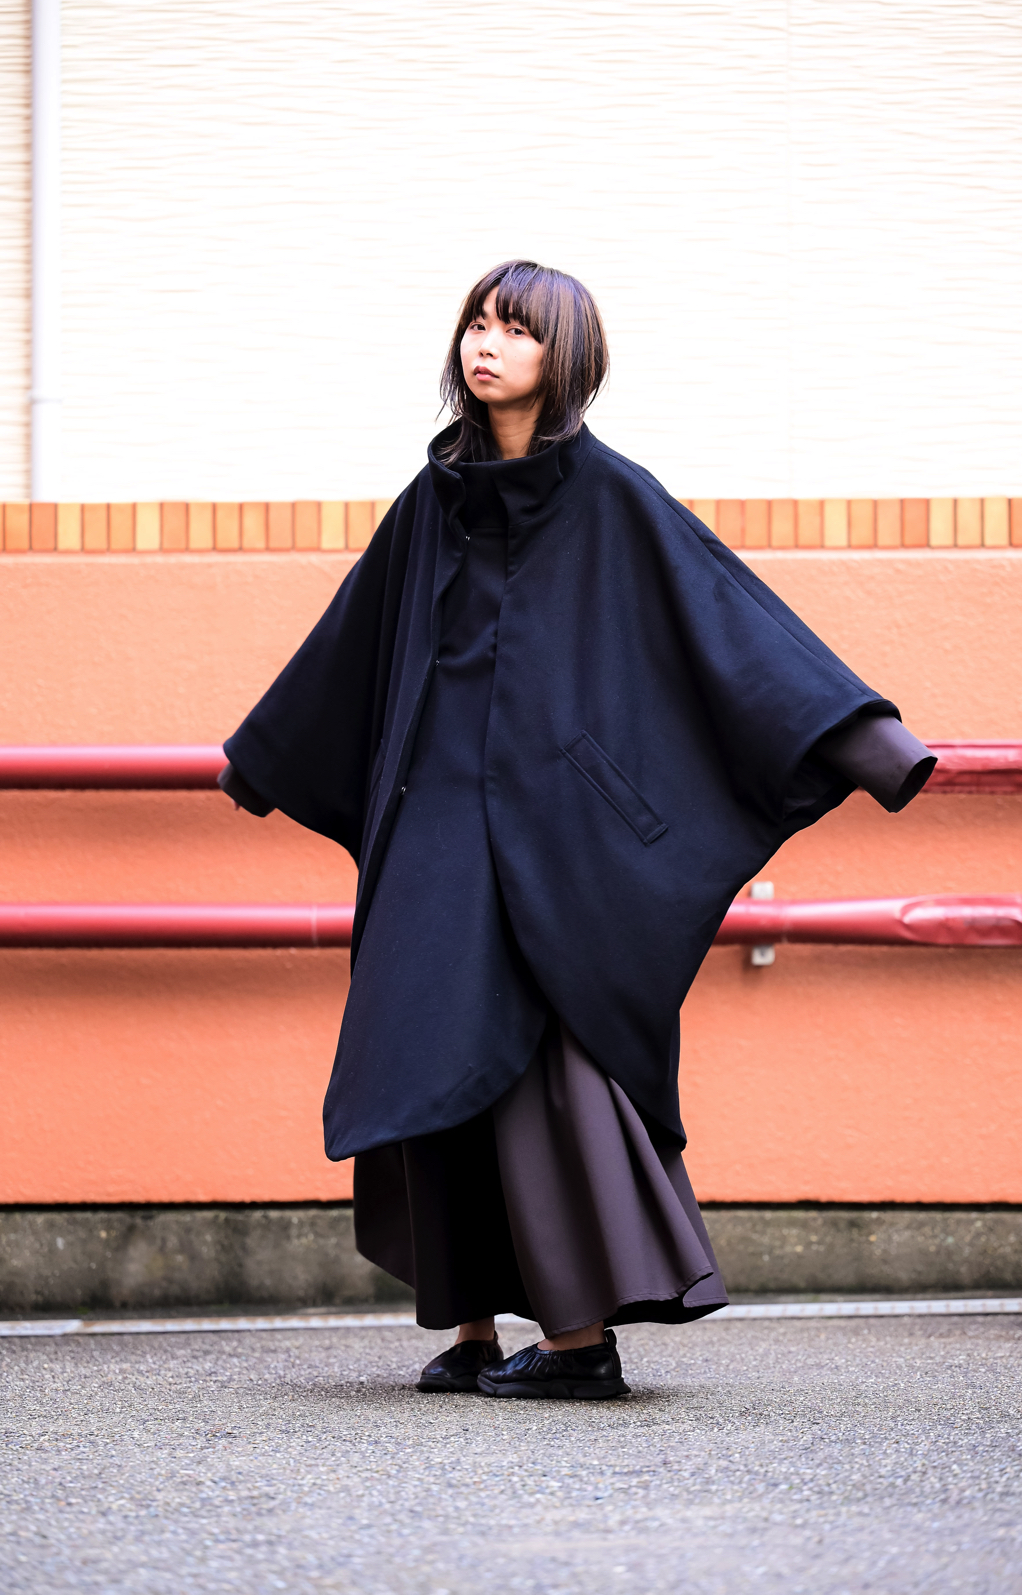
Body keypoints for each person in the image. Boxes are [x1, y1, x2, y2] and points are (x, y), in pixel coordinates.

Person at [220, 260, 936, 1400]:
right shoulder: (433, 499)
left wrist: (868, 743)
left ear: (566, 357)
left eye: (516, 329)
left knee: (545, 1059)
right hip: (432, 822)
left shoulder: (612, 497)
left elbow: (731, 626)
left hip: (556, 833)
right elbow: (352, 641)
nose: (486, 344)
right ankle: (466, 1327)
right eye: (477, 323)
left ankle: (576, 1341)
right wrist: (265, 757)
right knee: (422, 1043)